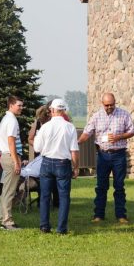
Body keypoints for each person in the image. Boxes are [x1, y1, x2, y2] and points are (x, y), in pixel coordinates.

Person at [79, 92, 134, 223]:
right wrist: (77, 142)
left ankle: (121, 215)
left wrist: (119, 137)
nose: (109, 107)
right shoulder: (96, 116)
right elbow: (87, 133)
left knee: (119, 186)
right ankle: (98, 215)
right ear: (102, 104)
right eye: (107, 105)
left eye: (112, 104)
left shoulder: (124, 114)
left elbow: (132, 131)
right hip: (103, 155)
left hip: (119, 154)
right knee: (101, 186)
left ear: (115, 102)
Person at [33, 98, 80, 234]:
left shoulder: (45, 126)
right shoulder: (69, 127)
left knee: (45, 196)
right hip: (63, 163)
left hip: (46, 162)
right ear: (64, 110)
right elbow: (74, 151)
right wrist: (76, 167)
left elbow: (37, 147)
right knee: (64, 197)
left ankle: (44, 226)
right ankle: (61, 228)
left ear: (52, 110)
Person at [0, 95, 25, 231]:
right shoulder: (12, 120)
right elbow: (11, 142)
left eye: (22, 105)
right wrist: (16, 161)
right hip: (10, 156)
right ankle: (7, 222)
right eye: (19, 105)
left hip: (7, 156)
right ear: (11, 105)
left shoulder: (7, 119)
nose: (21, 108)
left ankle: (5, 220)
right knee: (9, 191)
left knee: (7, 190)